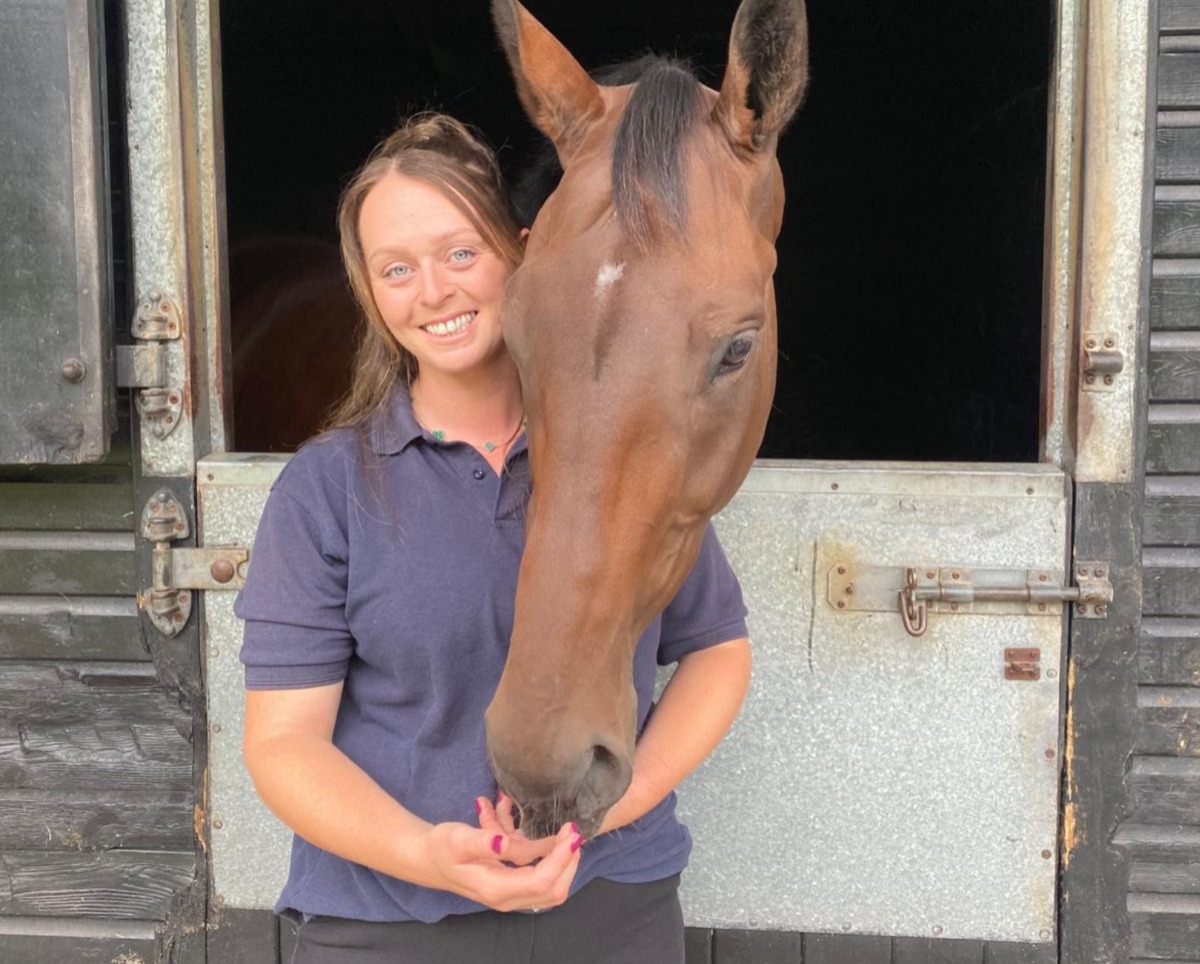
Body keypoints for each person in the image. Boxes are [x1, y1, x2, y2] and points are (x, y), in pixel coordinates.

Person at [236, 113, 752, 964]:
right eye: (396, 269)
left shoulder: (620, 455)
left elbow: (716, 650)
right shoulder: (326, 491)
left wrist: (615, 807)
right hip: (385, 928)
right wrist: (425, 855)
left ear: (523, 251)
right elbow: (283, 745)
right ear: (371, 291)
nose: (432, 291)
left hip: (613, 909)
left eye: (459, 253)